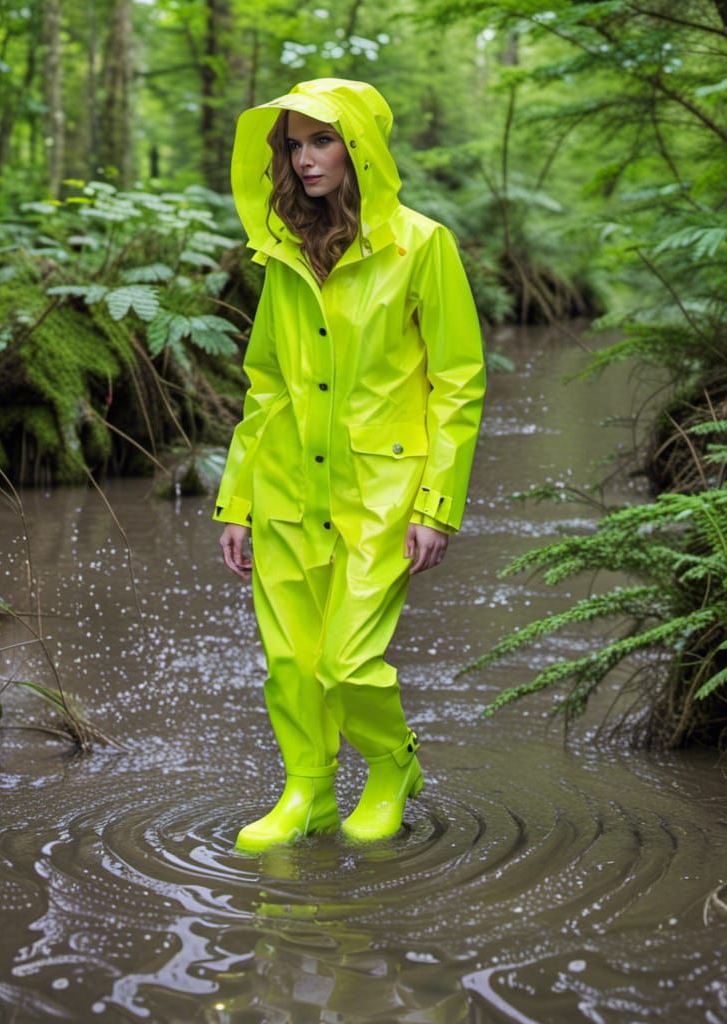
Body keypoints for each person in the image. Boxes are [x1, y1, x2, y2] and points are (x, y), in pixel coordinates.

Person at [214, 78, 486, 852]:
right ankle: (308, 792)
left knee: (347, 661)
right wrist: (237, 500)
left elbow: (458, 382)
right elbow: (265, 384)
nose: (304, 159)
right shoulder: (284, 254)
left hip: (383, 490)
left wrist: (437, 504)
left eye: (320, 141)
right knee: (291, 662)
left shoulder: (421, 245)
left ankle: (393, 765)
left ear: (358, 146)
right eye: (293, 144)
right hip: (287, 487)